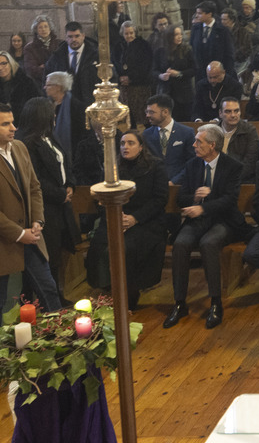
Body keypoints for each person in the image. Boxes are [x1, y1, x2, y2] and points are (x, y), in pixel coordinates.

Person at [163, 124, 246, 330]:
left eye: (199, 141)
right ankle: (179, 302)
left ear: (212, 145)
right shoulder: (193, 165)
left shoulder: (232, 166)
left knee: (209, 244)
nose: (194, 144)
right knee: (181, 244)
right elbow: (181, 198)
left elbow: (229, 200)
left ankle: (216, 303)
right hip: (197, 220)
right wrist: (194, 198)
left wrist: (204, 208)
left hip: (223, 220)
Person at [84, 131, 168, 307]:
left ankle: (129, 296)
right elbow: (101, 196)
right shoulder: (112, 167)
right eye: (122, 143)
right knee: (98, 248)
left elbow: (160, 199)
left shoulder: (155, 166)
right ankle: (107, 290)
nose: (125, 147)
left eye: (131, 143)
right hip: (115, 218)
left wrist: (135, 218)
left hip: (146, 221)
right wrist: (116, 215)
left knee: (127, 248)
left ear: (141, 146)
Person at [0, 102, 59, 311]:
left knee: (49, 290)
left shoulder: (19, 147)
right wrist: (18, 234)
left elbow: (35, 187)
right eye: (5, 124)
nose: (13, 128)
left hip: (31, 235)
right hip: (5, 239)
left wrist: (37, 221)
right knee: (1, 302)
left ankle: (59, 338)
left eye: (13, 122)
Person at [17, 98, 79, 293]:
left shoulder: (50, 137)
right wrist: (60, 194)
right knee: (46, 254)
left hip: (60, 206)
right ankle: (41, 303)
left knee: (57, 252)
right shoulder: (27, 143)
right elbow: (35, 179)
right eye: (51, 113)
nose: (54, 116)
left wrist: (70, 184)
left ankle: (56, 296)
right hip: (45, 208)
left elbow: (64, 162)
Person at [44, 21, 100, 105]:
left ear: (83, 36)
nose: (74, 39)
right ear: (66, 37)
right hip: (65, 103)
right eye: (70, 37)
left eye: (77, 36)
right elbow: (47, 76)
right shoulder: (57, 56)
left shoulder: (95, 55)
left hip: (90, 102)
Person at [143, 94, 196, 180]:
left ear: (165, 112)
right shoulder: (146, 134)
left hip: (180, 185)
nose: (147, 115)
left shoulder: (187, 133)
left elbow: (192, 163)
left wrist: (175, 182)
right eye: (147, 112)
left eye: (151, 112)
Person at [154, 25, 195, 117]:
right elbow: (153, 70)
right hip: (166, 91)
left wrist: (179, 73)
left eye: (180, 34)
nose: (180, 36)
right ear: (169, 36)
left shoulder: (187, 50)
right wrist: (161, 76)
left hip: (184, 92)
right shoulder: (160, 51)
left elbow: (194, 69)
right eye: (176, 34)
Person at [215, 97, 259, 180]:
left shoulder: (249, 131)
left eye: (236, 111)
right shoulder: (213, 131)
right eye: (228, 111)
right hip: (216, 178)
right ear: (220, 113)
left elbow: (251, 162)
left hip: (240, 179)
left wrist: (230, 178)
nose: (233, 115)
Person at [189, 1, 236, 80]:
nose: (197, 16)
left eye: (200, 13)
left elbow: (229, 54)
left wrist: (227, 74)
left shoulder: (222, 31)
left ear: (209, 14)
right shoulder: (195, 28)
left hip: (216, 74)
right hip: (199, 73)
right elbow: (192, 49)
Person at [0, 51, 42, 130]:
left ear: (11, 63)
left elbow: (37, 105)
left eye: (4, 63)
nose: (0, 67)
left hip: (25, 127)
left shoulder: (26, 82)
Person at [23, 16, 60, 87]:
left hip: (60, 84)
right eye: (40, 27)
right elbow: (31, 70)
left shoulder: (60, 44)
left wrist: (44, 67)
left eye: (46, 26)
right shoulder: (30, 48)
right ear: (36, 30)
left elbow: (65, 65)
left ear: (50, 28)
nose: (43, 29)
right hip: (40, 85)